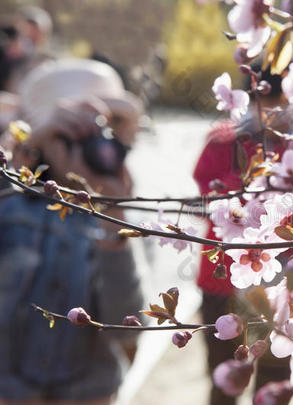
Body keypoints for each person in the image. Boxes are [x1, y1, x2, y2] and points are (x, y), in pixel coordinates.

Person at [0, 59, 144, 405]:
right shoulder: (9, 201)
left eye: (101, 131)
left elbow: (127, 323)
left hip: (88, 392)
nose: (88, 146)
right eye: (70, 132)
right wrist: (24, 156)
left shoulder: (124, 205)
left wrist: (114, 220)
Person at [193, 66, 293, 404]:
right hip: (222, 279)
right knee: (223, 375)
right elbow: (207, 192)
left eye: (285, 106)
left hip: (278, 285)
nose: (276, 116)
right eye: (266, 105)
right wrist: (252, 194)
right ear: (250, 101)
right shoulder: (223, 141)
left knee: (275, 376)